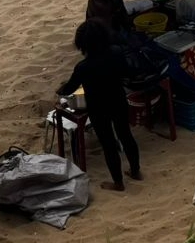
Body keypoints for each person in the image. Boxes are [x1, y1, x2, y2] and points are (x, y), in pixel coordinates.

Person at [57, 20, 141, 192]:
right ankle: (135, 171)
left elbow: (69, 88)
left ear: (82, 44)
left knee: (109, 144)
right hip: (118, 101)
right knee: (126, 135)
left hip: (98, 108)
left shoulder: (83, 67)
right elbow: (127, 72)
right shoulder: (116, 53)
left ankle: (118, 183)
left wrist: (60, 89)